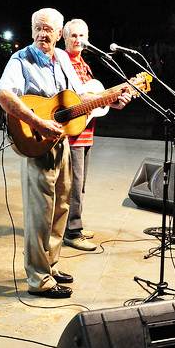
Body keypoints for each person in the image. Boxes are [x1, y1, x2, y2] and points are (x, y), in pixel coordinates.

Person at [0, 8, 131, 299]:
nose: (44, 34)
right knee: (39, 214)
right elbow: (3, 94)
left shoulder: (63, 61)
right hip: (37, 142)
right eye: (38, 28)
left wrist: (112, 99)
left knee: (61, 208)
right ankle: (38, 279)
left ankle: (51, 266)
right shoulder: (21, 59)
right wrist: (38, 122)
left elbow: (80, 98)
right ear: (32, 31)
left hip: (62, 142)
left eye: (49, 30)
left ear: (59, 34)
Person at [62, 19, 128, 251]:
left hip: (86, 130)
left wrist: (115, 101)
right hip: (71, 132)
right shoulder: (62, 62)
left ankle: (74, 225)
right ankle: (71, 231)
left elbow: (93, 101)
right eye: (73, 36)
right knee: (74, 184)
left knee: (81, 185)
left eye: (82, 36)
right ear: (64, 36)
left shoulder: (83, 63)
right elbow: (73, 98)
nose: (78, 40)